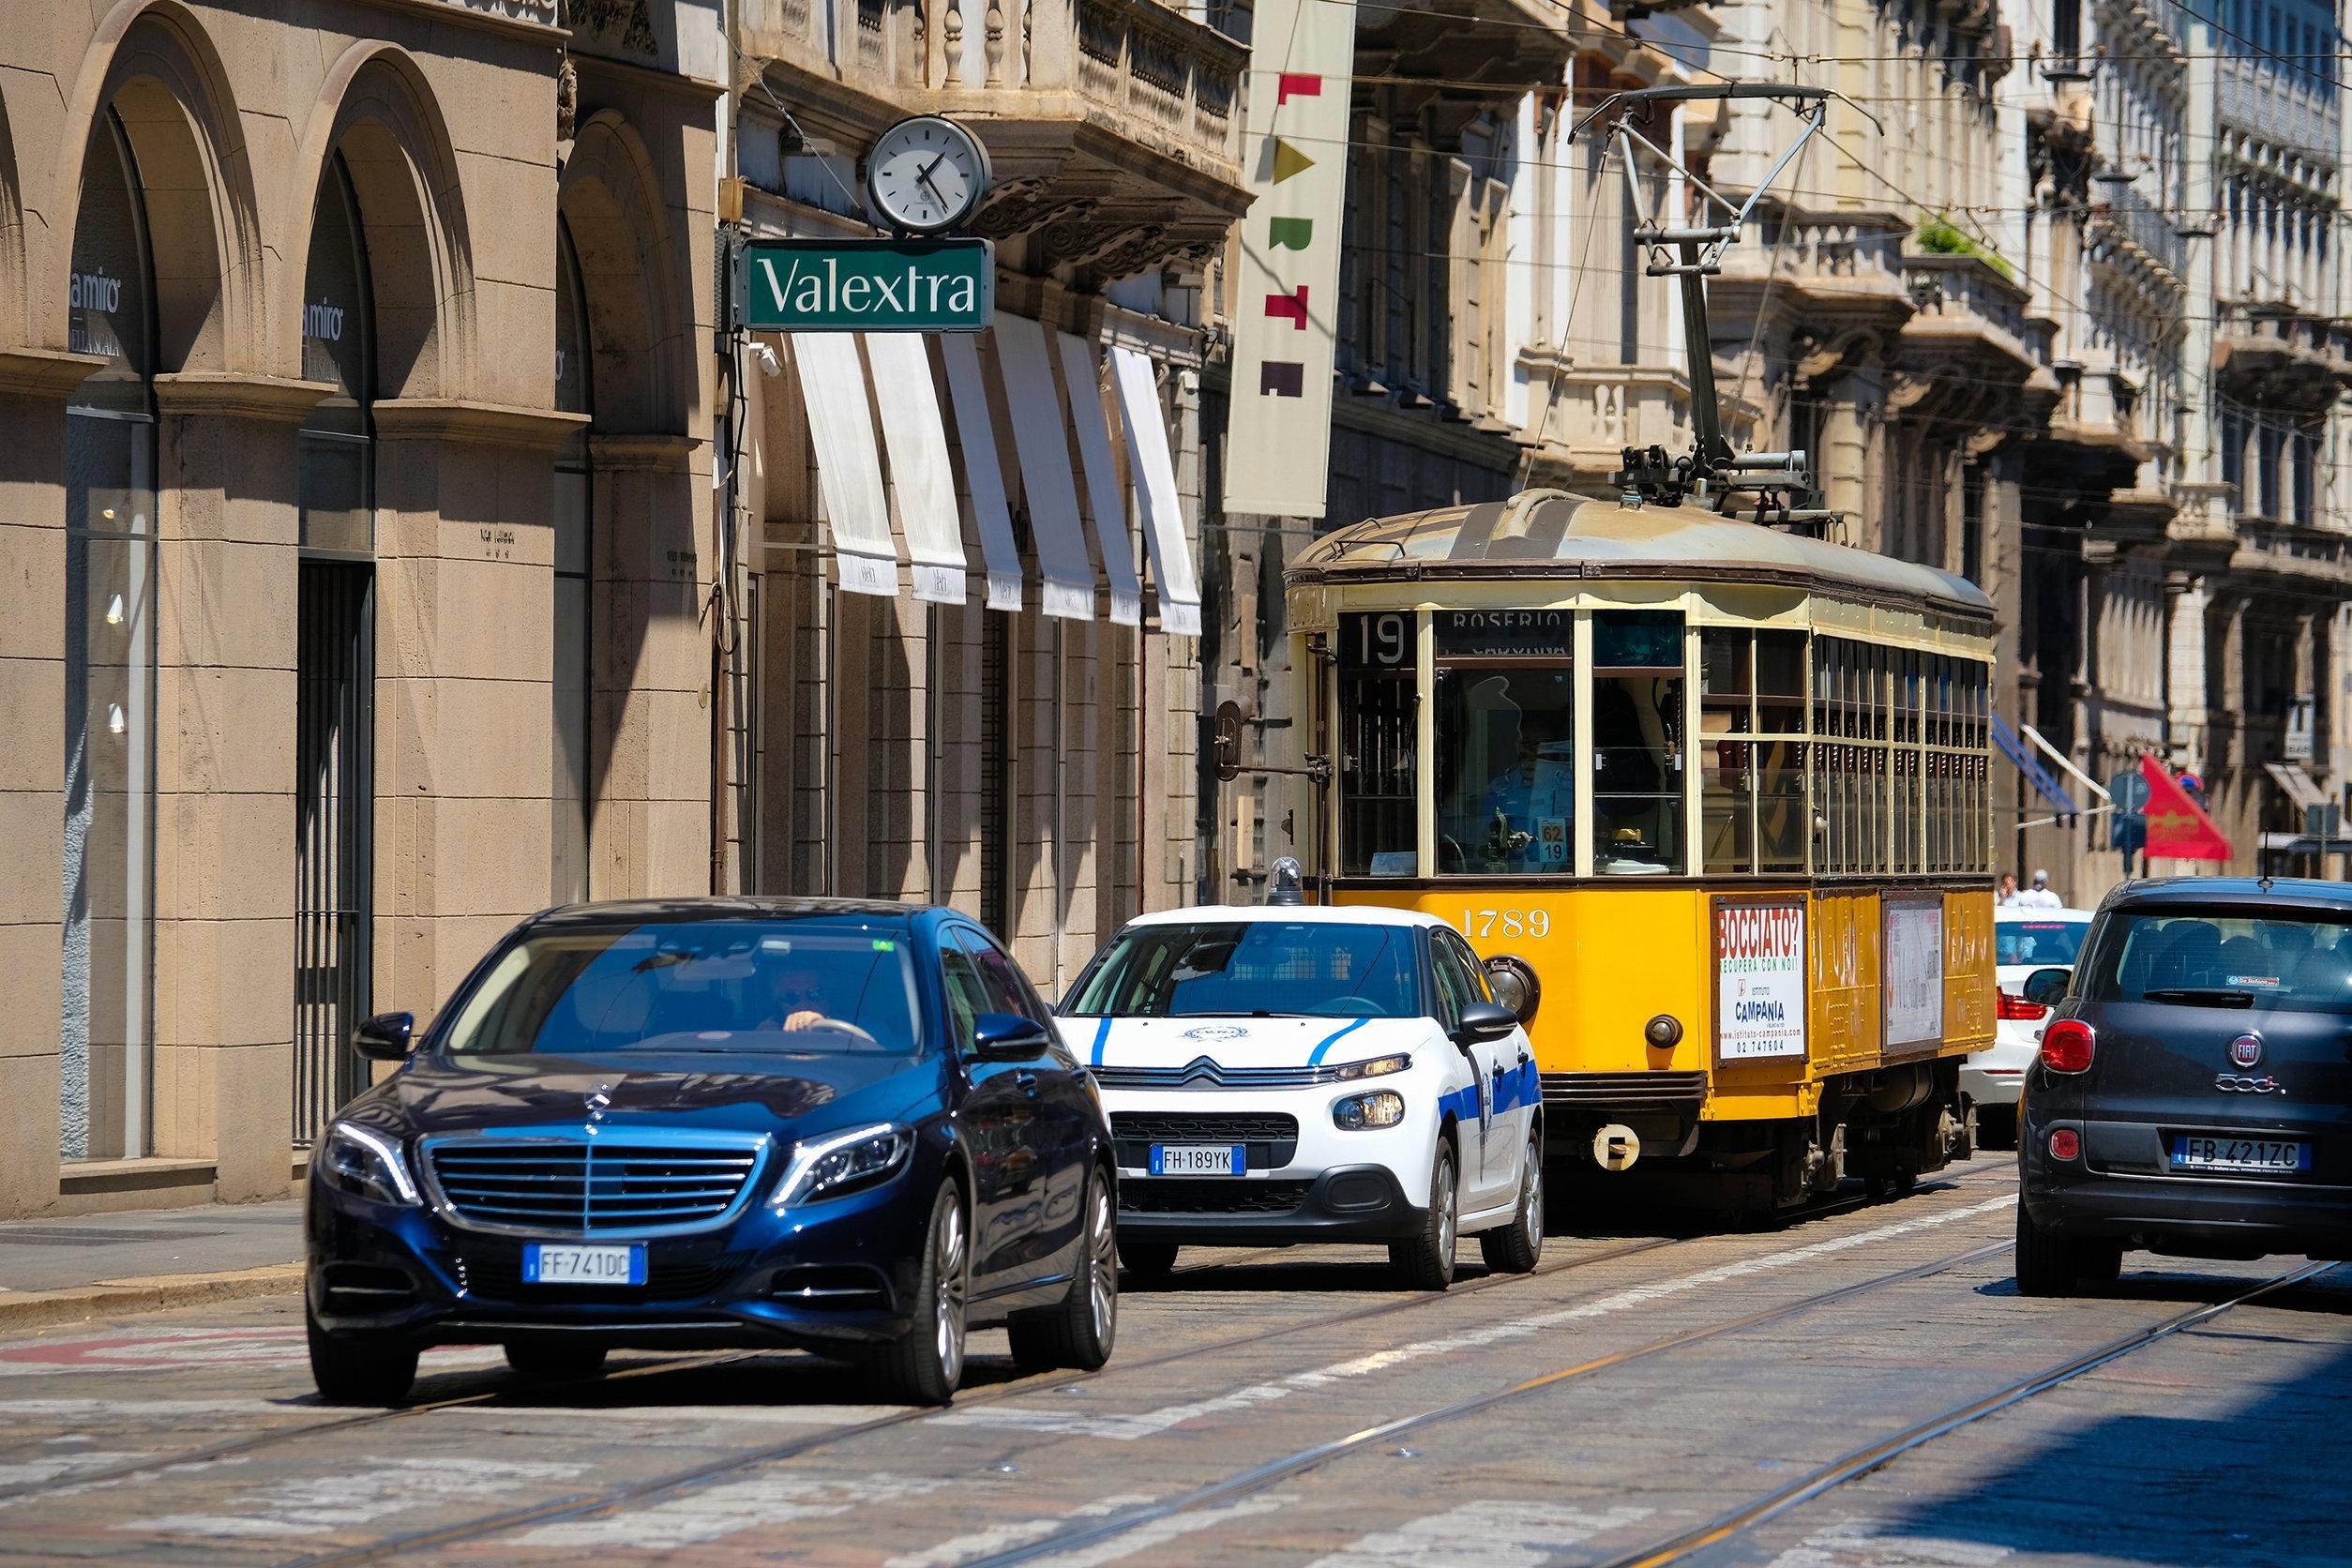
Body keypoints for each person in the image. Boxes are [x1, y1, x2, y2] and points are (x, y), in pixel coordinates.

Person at [1484, 716, 1573, 867]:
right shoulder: (1500, 789)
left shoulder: (1572, 786)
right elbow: (1486, 833)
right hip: (1514, 873)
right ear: (1518, 746)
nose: (1536, 751)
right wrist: (1509, 840)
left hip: (1565, 874)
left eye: (1544, 743)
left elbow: (1599, 829)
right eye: (1529, 743)